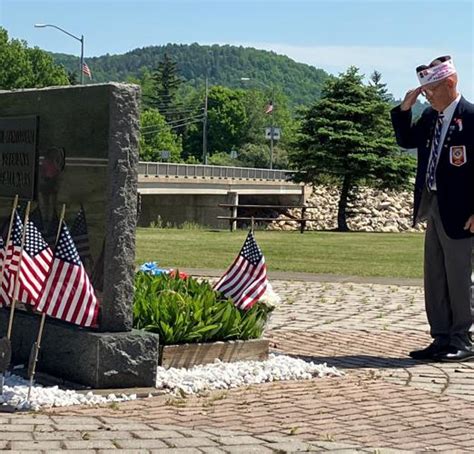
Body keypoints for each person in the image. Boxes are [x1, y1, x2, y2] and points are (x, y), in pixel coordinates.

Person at [391, 55, 474, 362]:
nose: (427, 95)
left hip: (463, 212)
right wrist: (404, 110)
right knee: (435, 274)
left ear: (450, 83)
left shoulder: (471, 117)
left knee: (459, 275)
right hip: (434, 204)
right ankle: (440, 336)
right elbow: (406, 140)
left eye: (431, 90)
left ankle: (462, 338)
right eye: (424, 91)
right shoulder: (430, 118)